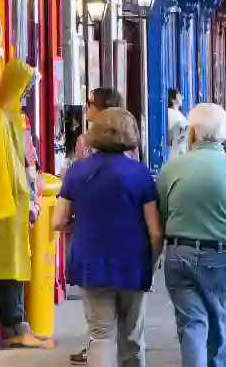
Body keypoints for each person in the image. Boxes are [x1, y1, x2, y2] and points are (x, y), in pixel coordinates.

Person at [156, 103, 226, 367]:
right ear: (224, 134)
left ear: (192, 135)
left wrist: (153, 261)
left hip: (179, 256)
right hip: (222, 259)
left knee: (191, 329)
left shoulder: (170, 169)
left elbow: (160, 222)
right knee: (222, 332)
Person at [54, 108, 164, 367]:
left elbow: (58, 221)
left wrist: (81, 225)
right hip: (132, 263)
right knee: (132, 334)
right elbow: (156, 230)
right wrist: (154, 260)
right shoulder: (139, 174)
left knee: (100, 334)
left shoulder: (77, 172)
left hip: (91, 260)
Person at [67, 87, 133, 364]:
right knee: (129, 323)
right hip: (126, 242)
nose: (86, 107)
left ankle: (97, 348)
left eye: (90, 103)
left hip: (92, 236)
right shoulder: (129, 143)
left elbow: (77, 184)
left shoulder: (86, 144)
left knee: (99, 321)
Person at [0, 59, 45, 347]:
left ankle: (19, 320)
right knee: (10, 264)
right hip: (8, 205)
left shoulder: (10, 117)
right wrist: (2, 205)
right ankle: (13, 322)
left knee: (18, 262)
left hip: (17, 205)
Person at [167, 88, 190, 159]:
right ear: (172, 99)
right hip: (176, 151)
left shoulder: (178, 113)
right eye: (179, 95)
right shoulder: (169, 113)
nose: (182, 97)